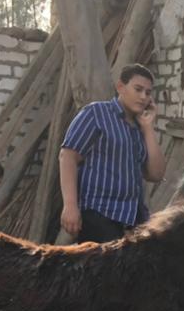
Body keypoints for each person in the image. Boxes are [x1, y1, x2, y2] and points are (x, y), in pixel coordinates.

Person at [58, 64, 167, 244]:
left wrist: (148, 128)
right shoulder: (96, 113)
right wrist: (70, 206)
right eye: (138, 89)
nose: (143, 97)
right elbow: (68, 156)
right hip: (99, 214)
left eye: (148, 93)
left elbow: (156, 174)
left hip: (134, 218)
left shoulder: (141, 127)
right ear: (120, 87)